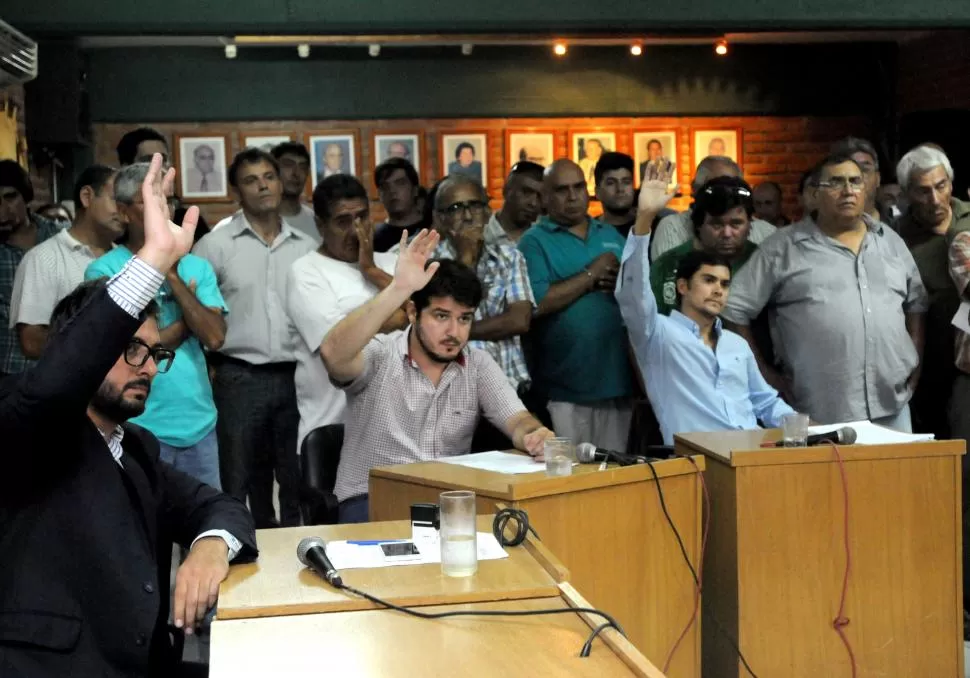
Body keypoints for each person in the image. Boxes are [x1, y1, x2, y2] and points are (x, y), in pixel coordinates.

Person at [0, 154, 257, 677]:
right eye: (128, 350)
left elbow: (222, 506)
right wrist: (154, 259)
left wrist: (208, 548)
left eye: (152, 353)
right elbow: (62, 372)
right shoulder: (33, 429)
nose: (148, 368)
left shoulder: (136, 447)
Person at [320, 230, 555, 523]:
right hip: (371, 500)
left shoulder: (478, 364)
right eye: (441, 316)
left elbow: (518, 420)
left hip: (447, 505)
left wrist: (534, 434)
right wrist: (398, 288)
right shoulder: (380, 355)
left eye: (464, 319)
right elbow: (332, 353)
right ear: (412, 312)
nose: (454, 333)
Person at [722, 153, 928, 428]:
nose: (847, 191)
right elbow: (733, 309)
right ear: (815, 194)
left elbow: (917, 303)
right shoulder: (782, 248)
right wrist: (765, 376)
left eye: (855, 182)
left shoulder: (889, 240)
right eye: (836, 183)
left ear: (866, 189)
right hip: (818, 410)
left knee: (900, 473)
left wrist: (914, 363)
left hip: (893, 403)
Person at [616, 179, 794, 444]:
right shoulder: (658, 334)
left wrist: (811, 430)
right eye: (708, 280)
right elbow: (633, 294)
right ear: (683, 286)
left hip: (753, 456)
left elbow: (765, 402)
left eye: (724, 284)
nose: (718, 290)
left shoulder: (736, 345)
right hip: (697, 463)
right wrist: (644, 219)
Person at [193, 148, 316, 528]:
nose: (263, 185)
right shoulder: (215, 246)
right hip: (237, 378)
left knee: (297, 478)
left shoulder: (306, 247)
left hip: (297, 378)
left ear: (280, 183)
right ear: (236, 192)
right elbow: (193, 312)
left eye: (269, 177)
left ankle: (298, 561)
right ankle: (237, 558)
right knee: (237, 479)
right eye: (251, 180)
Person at [85, 163, 227, 488]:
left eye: (169, 200)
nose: (165, 210)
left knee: (205, 527)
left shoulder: (196, 266)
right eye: (151, 201)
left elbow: (215, 335)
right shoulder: (103, 270)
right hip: (136, 422)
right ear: (123, 211)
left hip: (198, 422)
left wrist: (172, 273)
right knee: (143, 532)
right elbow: (131, 349)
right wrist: (189, 319)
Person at [518, 159, 633, 451]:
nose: (572, 196)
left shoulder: (611, 235)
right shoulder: (533, 242)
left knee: (616, 478)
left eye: (578, 187)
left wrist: (623, 283)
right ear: (544, 197)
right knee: (570, 478)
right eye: (561, 190)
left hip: (618, 381)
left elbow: (638, 300)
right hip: (565, 386)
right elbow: (537, 303)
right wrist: (592, 273)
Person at [286, 174, 404, 453]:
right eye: (343, 222)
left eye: (363, 217)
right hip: (334, 429)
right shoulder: (306, 272)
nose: (356, 230)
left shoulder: (393, 263)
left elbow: (423, 317)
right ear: (320, 225)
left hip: (399, 427)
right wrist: (399, 315)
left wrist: (372, 271)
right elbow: (338, 344)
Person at [432, 174, 535, 398]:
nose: (468, 216)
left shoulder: (510, 257)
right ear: (440, 219)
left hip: (510, 390)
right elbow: (440, 324)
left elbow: (519, 320)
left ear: (488, 212)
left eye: (475, 206)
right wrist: (465, 259)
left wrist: (458, 332)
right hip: (451, 394)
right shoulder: (427, 264)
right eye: (456, 208)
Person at [894, 145, 970, 440]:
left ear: (951, 182)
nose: (935, 199)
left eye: (941, 186)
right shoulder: (895, 240)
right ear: (906, 193)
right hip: (930, 364)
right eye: (923, 191)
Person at [11, 165, 122, 360]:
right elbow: (31, 342)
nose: (124, 210)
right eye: (116, 199)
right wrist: (102, 340)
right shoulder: (43, 258)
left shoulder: (127, 259)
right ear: (87, 196)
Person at [651, 177, 759, 316]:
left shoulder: (763, 262)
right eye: (717, 225)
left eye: (736, 224)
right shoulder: (667, 265)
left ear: (750, 224)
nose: (727, 233)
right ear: (698, 224)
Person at [0, 162, 63, 377]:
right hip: (9, 372)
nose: (2, 210)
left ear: (25, 197)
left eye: (10, 197)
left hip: (61, 366)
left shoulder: (60, 237)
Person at [650, 156, 776, 260]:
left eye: (733, 187)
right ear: (695, 189)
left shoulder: (767, 232)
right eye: (715, 188)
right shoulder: (672, 227)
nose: (726, 195)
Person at [116, 127, 209, 243]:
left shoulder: (187, 219)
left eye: (163, 159)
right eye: (149, 160)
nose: (159, 165)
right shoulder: (116, 221)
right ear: (127, 167)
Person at [373, 158, 430, 252]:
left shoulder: (433, 230)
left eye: (400, 183)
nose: (392, 191)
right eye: (385, 186)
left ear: (415, 190)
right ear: (379, 194)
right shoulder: (374, 240)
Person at [269, 142, 319, 242]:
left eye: (303, 167)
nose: (296, 173)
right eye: (288, 165)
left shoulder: (317, 223)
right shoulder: (253, 220)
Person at [485, 161, 543, 247]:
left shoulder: (543, 239)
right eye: (526, 192)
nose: (533, 203)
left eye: (539, 197)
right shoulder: (482, 236)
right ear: (507, 190)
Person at [831, 137, 882, 223]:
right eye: (849, 170)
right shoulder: (821, 226)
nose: (857, 176)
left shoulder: (896, 228)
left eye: (864, 169)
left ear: (878, 178)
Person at [594, 152, 637, 237]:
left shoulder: (654, 226)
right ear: (597, 192)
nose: (620, 189)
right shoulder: (589, 231)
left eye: (626, 182)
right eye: (611, 183)